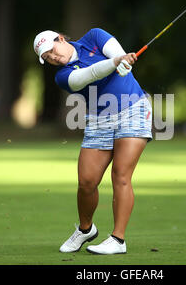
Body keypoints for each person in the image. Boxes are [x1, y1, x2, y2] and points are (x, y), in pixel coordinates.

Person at [33, 28, 152, 255]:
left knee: (121, 174)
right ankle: (86, 229)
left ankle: (118, 240)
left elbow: (117, 52)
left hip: (133, 108)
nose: (53, 58)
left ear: (60, 38)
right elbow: (89, 75)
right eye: (47, 58)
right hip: (98, 118)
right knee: (86, 182)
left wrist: (123, 60)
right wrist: (116, 62)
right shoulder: (62, 76)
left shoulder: (94, 37)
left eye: (52, 51)